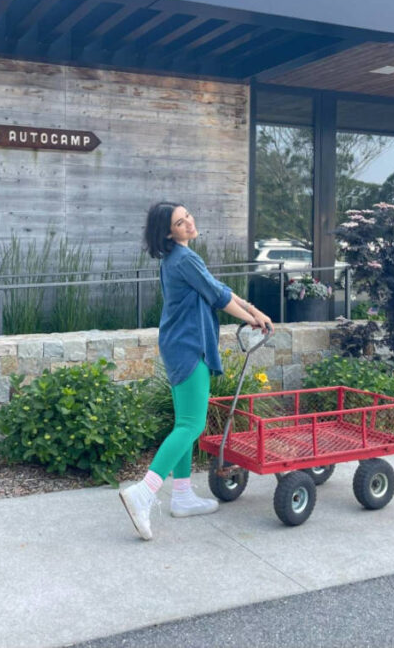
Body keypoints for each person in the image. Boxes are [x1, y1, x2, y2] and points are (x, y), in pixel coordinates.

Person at [120, 202, 273, 541]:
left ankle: (183, 495)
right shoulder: (184, 259)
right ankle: (144, 492)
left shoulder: (176, 258)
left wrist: (253, 309)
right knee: (192, 425)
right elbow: (219, 297)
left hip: (179, 345)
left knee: (185, 424)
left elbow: (216, 287)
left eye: (187, 215)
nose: (189, 222)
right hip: (189, 347)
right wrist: (251, 319)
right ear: (168, 233)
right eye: (180, 221)